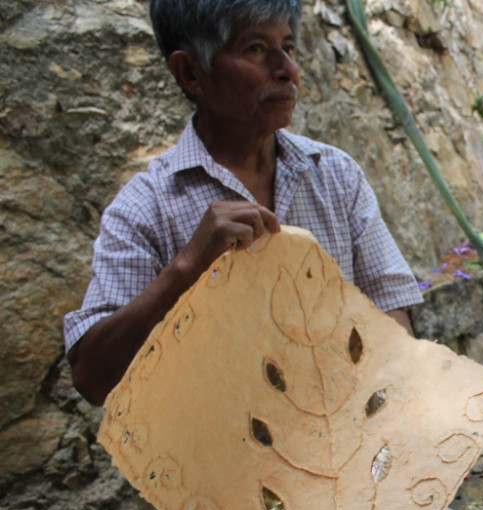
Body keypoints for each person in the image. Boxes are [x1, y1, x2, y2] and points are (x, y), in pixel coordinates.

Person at [63, 0, 423, 407]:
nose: (288, 70)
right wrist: (186, 267)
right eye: (255, 49)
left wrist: (386, 408)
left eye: (287, 46)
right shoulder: (145, 209)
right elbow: (93, 379)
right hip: (213, 464)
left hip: (346, 444)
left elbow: (391, 308)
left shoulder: (335, 175)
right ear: (191, 73)